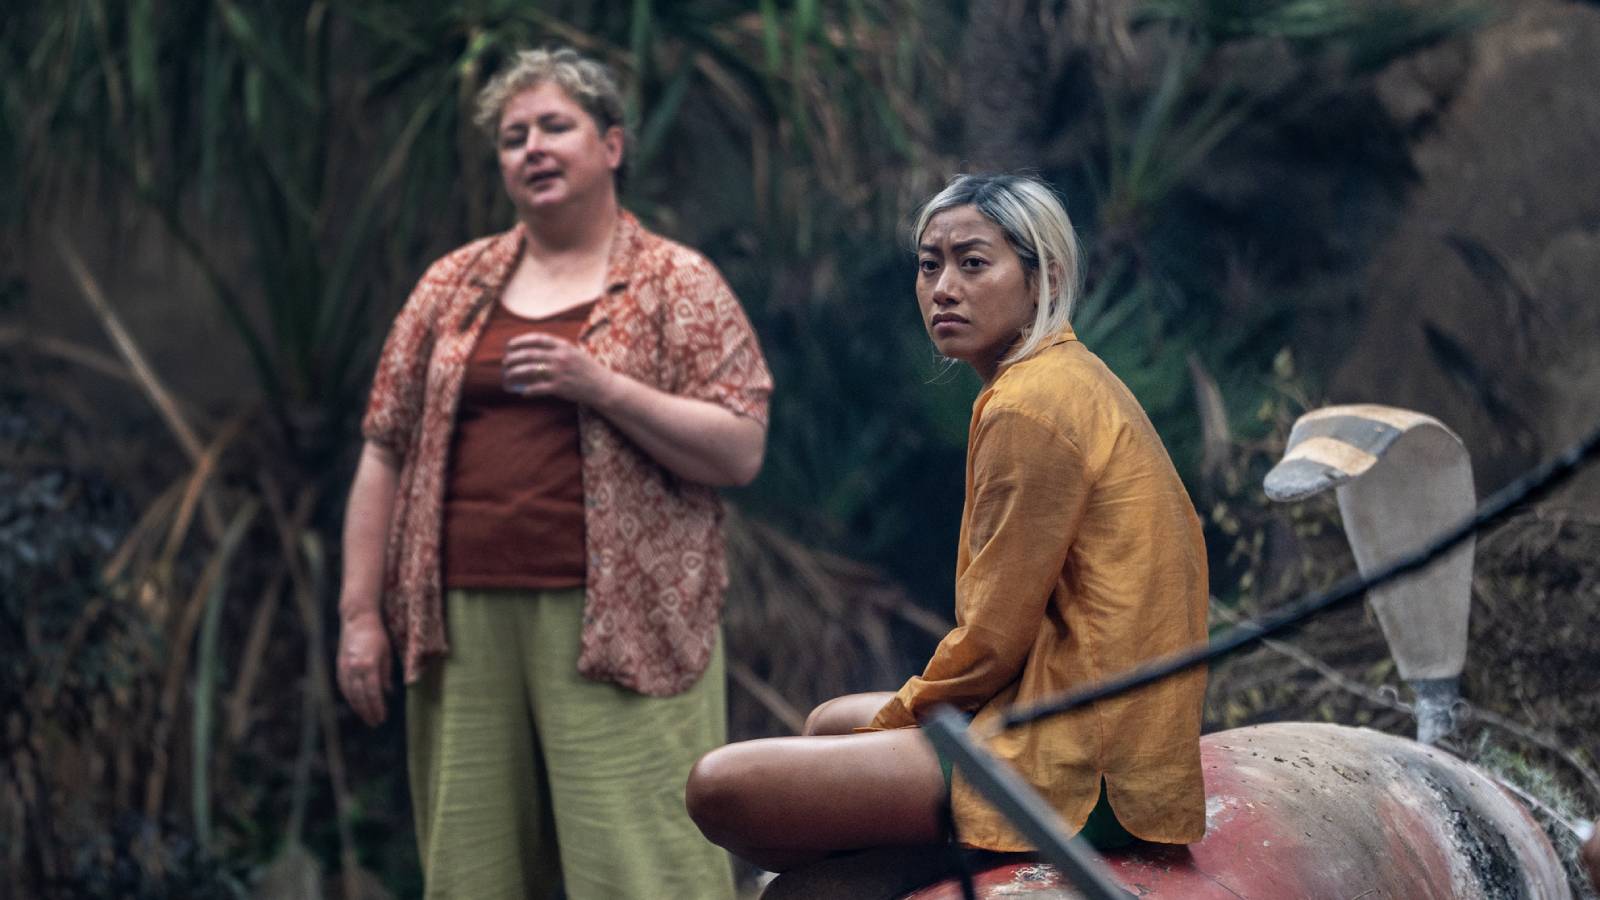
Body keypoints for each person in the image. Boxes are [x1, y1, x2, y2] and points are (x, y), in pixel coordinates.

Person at [335, 46, 771, 900]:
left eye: (554, 127)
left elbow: (739, 447)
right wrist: (359, 616)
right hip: (460, 622)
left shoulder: (675, 282)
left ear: (611, 145)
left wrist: (600, 387)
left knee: (644, 871)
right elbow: (384, 445)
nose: (532, 147)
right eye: (513, 136)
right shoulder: (451, 286)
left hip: (624, 625)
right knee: (474, 872)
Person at [686, 173, 1208, 872]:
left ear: (1044, 278)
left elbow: (991, 642)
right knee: (827, 723)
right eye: (930, 265)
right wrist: (892, 723)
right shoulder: (1062, 376)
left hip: (1083, 761)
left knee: (718, 786)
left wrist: (895, 721)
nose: (944, 289)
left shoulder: (1029, 404)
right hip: (1091, 723)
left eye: (973, 263)